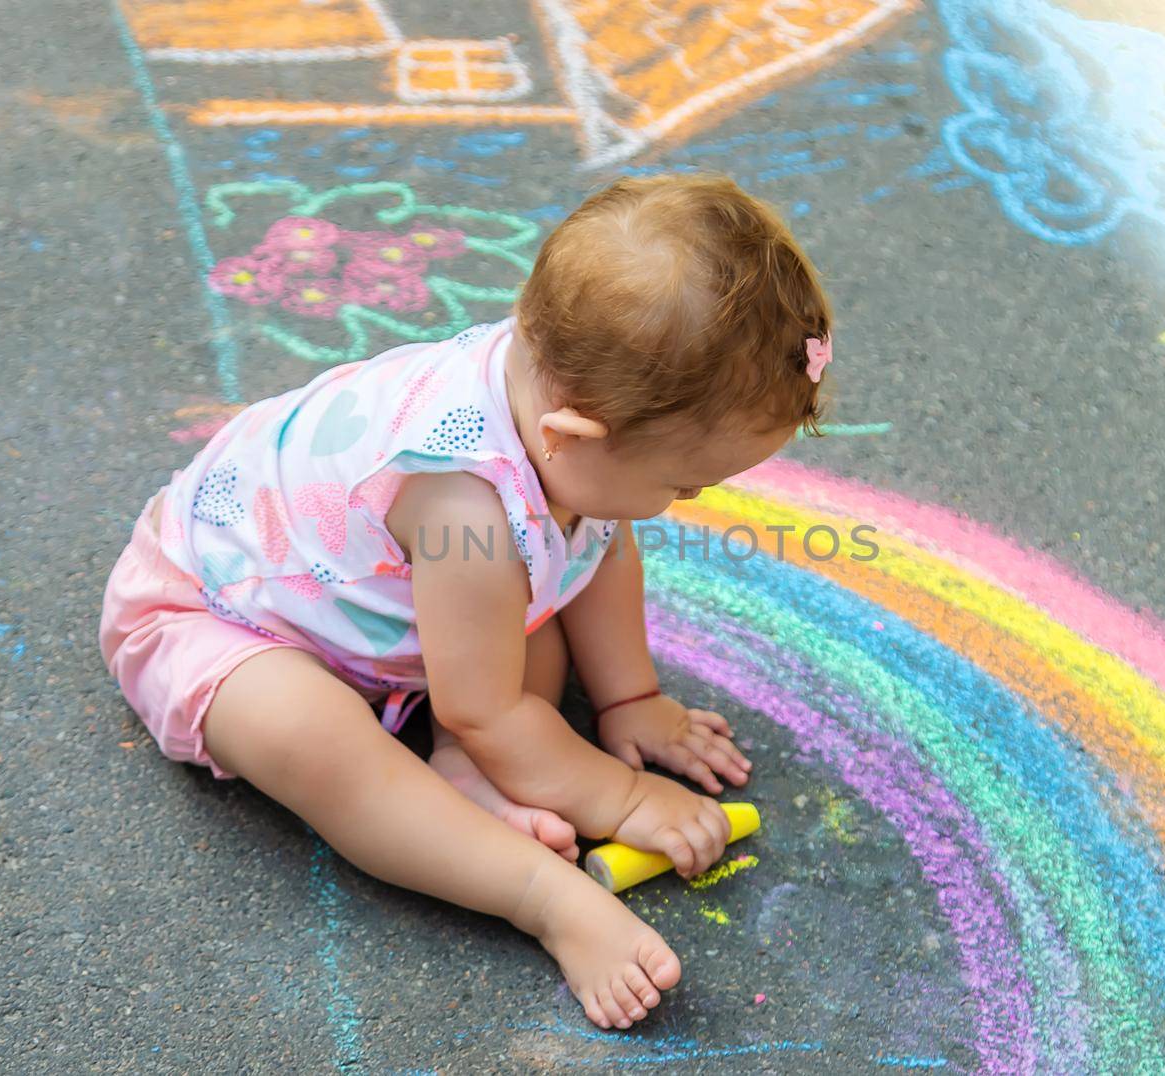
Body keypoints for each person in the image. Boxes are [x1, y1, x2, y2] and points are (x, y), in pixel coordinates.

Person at [99, 173, 833, 1029]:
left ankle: (461, 770)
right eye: (683, 483)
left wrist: (631, 697)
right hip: (213, 612)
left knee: (537, 627)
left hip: (389, 605)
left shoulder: (564, 394)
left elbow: (596, 549)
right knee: (321, 743)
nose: (695, 498)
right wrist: (625, 801)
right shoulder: (464, 505)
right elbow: (484, 703)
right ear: (572, 438)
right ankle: (540, 895)